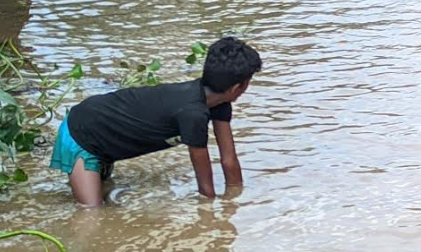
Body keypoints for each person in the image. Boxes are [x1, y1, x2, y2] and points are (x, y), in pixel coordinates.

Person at [49, 36, 262, 207]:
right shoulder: (193, 113)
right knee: (92, 215)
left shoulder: (219, 103)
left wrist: (235, 202)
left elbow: (229, 160)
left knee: (106, 193)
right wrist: (209, 216)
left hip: (106, 135)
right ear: (237, 88)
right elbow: (205, 188)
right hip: (82, 133)